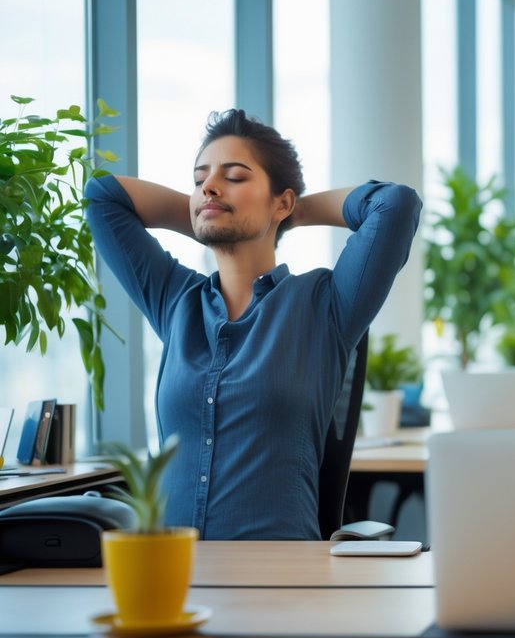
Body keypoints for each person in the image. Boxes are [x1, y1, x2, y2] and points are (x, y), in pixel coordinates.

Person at [86, 109, 421, 540]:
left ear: (281, 200)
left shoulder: (325, 305)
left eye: (235, 177)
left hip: (278, 577)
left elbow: (395, 205)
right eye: (199, 179)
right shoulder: (176, 301)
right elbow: (102, 197)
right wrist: (206, 213)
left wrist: (290, 213)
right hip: (173, 578)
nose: (209, 185)